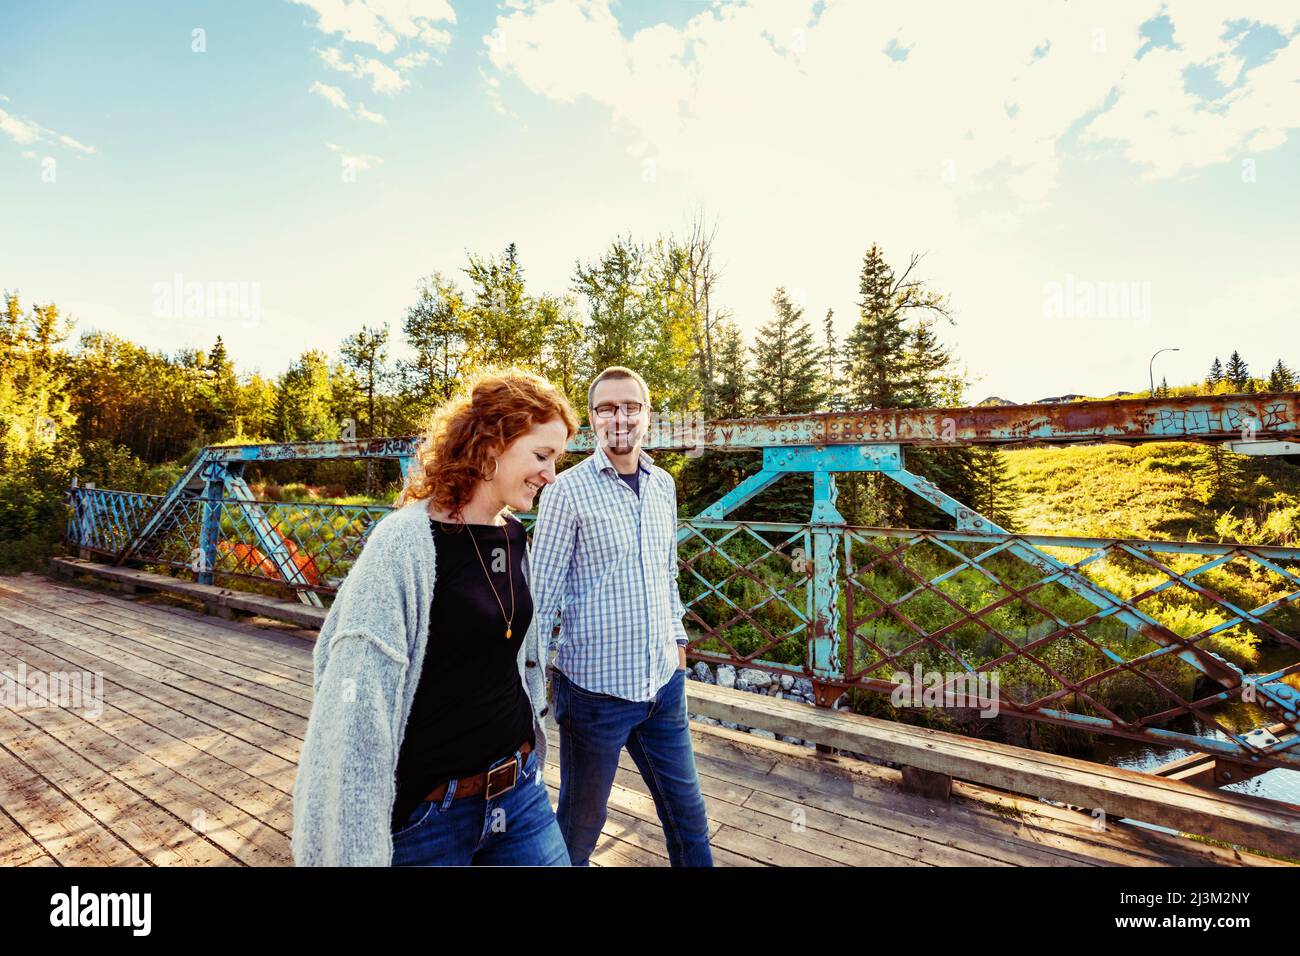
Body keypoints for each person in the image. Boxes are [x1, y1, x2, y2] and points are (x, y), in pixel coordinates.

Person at [290, 367, 579, 866]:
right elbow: (353, 701)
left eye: (557, 459)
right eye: (541, 455)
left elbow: (510, 656)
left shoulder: (513, 537)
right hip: (431, 817)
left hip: (519, 793)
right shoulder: (403, 544)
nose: (551, 475)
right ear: (491, 446)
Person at [531, 365, 714, 866]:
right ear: (592, 418)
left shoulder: (663, 487)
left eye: (631, 406)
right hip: (595, 695)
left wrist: (677, 642)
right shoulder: (566, 492)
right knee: (579, 830)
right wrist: (527, 694)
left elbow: (666, 574)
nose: (621, 417)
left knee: (690, 822)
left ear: (646, 416)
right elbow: (540, 599)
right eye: (608, 407)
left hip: (662, 688)